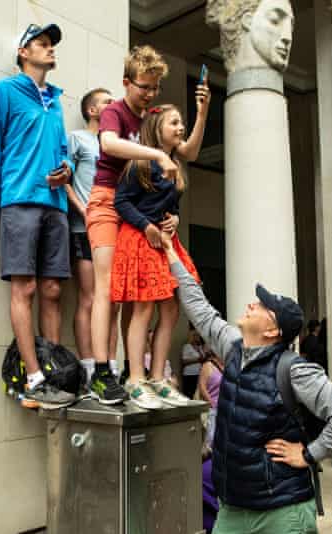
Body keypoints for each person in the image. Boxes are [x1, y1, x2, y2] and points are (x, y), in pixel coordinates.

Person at [160, 233, 332, 533]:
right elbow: (199, 308)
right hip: (231, 508)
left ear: (273, 330)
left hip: (282, 511)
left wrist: (309, 454)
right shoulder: (232, 347)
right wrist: (171, 251)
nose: (252, 304)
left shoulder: (293, 370)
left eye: (262, 305)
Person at [86, 45, 209, 405]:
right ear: (127, 83)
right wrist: (155, 153)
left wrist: (201, 114)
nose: (150, 94)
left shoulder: (150, 117)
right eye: (145, 87)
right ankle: (102, 370)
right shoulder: (115, 112)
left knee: (137, 299)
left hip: (143, 213)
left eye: (155, 88)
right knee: (109, 289)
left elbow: (187, 153)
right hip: (109, 200)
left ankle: (133, 371)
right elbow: (108, 143)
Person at [0, 23, 76, 410]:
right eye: (42, 44)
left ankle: (55, 372)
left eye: (52, 45)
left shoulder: (57, 101)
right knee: (25, 289)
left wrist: (65, 169)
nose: (50, 50)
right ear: (23, 52)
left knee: (52, 290)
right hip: (18, 203)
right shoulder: (3, 92)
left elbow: (62, 149)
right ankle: (33, 377)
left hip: (55, 206)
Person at [112, 104, 199, 409]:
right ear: (156, 128)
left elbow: (170, 204)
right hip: (140, 238)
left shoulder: (175, 165)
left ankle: (158, 378)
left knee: (172, 310)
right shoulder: (140, 163)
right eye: (174, 123)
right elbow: (120, 201)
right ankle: (136, 378)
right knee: (143, 310)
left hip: (164, 240)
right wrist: (145, 225)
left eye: (181, 123)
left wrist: (174, 217)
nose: (180, 128)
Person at [65, 88, 115, 383]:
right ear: (93, 110)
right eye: (107, 101)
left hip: (113, 229)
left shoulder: (114, 143)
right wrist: (84, 211)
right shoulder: (77, 139)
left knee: (112, 300)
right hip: (84, 228)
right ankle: (88, 367)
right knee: (90, 297)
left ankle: (110, 366)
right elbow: (64, 180)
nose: (114, 105)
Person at [181, 326, 205, 398]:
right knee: (189, 394)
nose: (198, 337)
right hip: (189, 374)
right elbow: (184, 361)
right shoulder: (187, 346)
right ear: (193, 337)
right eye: (197, 336)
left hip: (199, 373)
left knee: (197, 393)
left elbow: (203, 358)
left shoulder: (200, 347)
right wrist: (197, 359)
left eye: (199, 336)